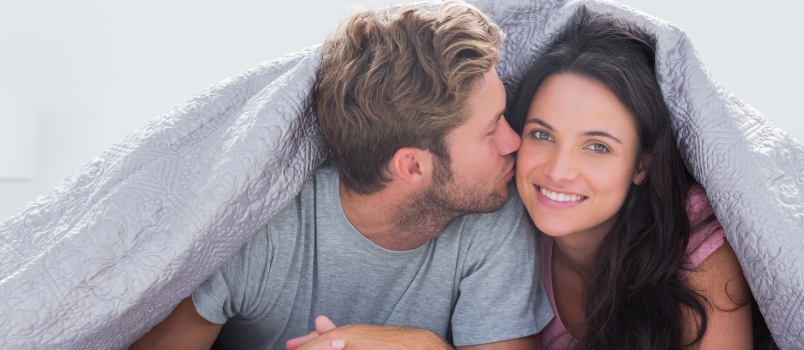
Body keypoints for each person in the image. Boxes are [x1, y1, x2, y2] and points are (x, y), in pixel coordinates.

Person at [130, 1, 552, 349]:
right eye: (491, 128)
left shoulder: (492, 208)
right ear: (412, 166)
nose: (514, 141)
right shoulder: (262, 232)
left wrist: (421, 346)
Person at [507, 11, 753, 350]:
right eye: (542, 134)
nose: (559, 170)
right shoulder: (501, 227)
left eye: (597, 146)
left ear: (641, 166)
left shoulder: (693, 237)